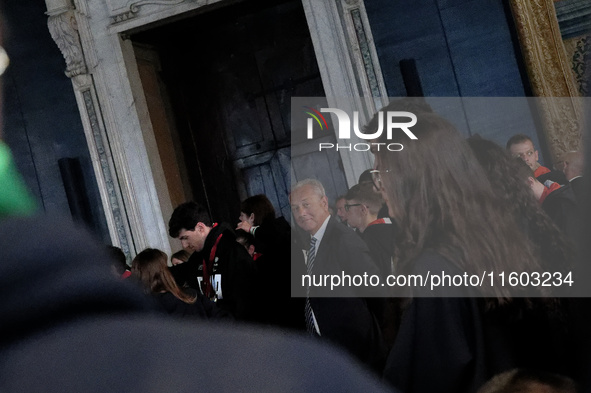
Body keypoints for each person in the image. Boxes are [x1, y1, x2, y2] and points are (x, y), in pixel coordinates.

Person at [369, 107, 573, 392]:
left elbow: (425, 378)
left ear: (412, 177)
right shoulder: (492, 238)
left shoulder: (435, 265)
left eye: (382, 172)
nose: (380, 186)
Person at [290, 178, 386, 372]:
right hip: (334, 353)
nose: (301, 213)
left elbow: (377, 292)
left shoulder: (342, 238)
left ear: (324, 203)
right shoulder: (314, 242)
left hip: (359, 355)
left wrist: (370, 343)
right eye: (295, 208)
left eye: (306, 204)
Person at [168, 201, 256, 320]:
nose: (184, 245)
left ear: (200, 228)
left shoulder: (233, 252)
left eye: (185, 238)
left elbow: (247, 303)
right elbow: (175, 274)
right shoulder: (197, 258)